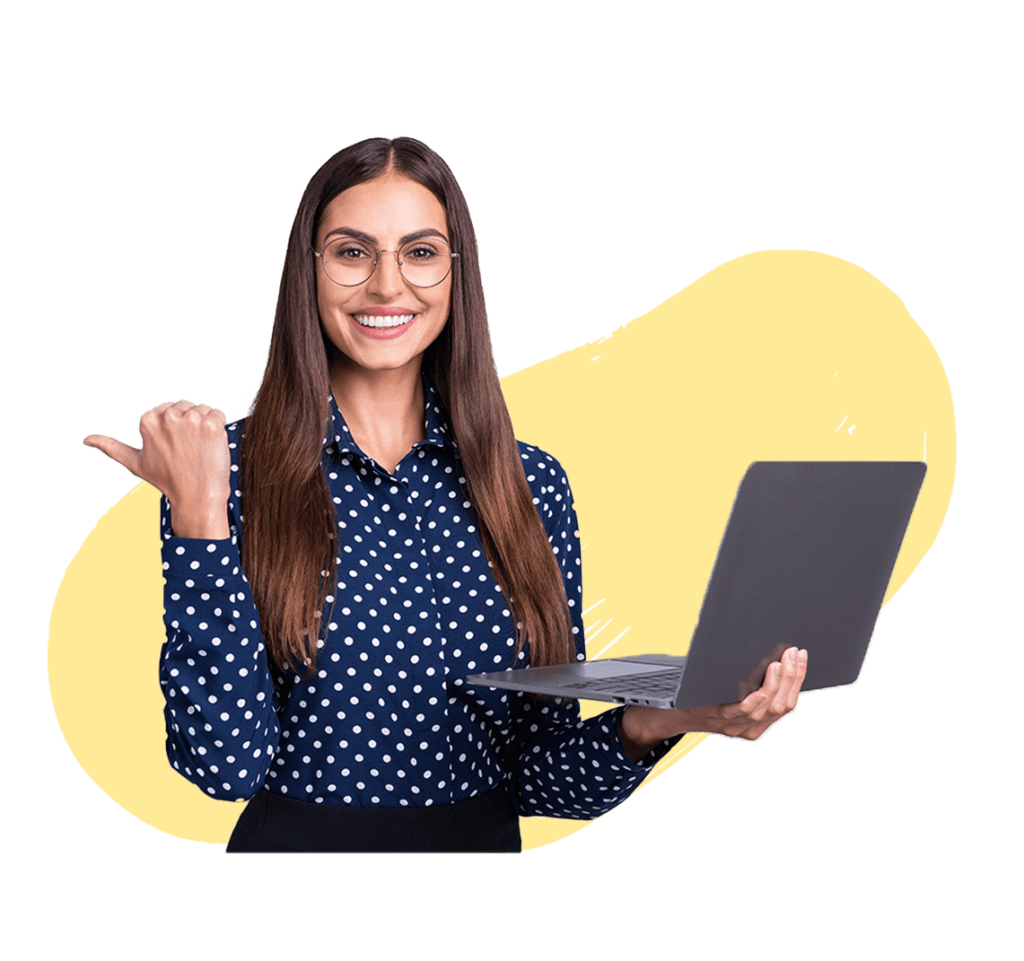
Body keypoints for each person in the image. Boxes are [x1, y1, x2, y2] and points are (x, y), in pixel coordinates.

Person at [83, 135, 807, 854]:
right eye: (352, 251)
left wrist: (667, 718)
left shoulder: (529, 485)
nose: (388, 286)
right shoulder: (224, 472)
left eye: (421, 253)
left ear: (457, 274)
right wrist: (200, 518)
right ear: (310, 272)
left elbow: (543, 781)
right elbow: (223, 765)